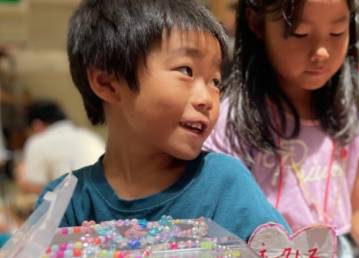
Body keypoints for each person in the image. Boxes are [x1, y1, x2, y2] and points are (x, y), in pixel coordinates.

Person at [39, 0, 288, 242]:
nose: (208, 99)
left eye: (215, 81)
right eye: (186, 71)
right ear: (108, 82)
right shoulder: (65, 203)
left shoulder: (225, 185)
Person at [205, 0, 359, 258]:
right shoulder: (231, 122)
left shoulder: (344, 115)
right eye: (300, 33)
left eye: (337, 33)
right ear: (256, 22)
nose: (322, 52)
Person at [16, 100, 104, 194]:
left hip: (77, 204)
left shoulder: (38, 141)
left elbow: (37, 188)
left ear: (37, 125)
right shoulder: (89, 136)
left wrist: (21, 176)